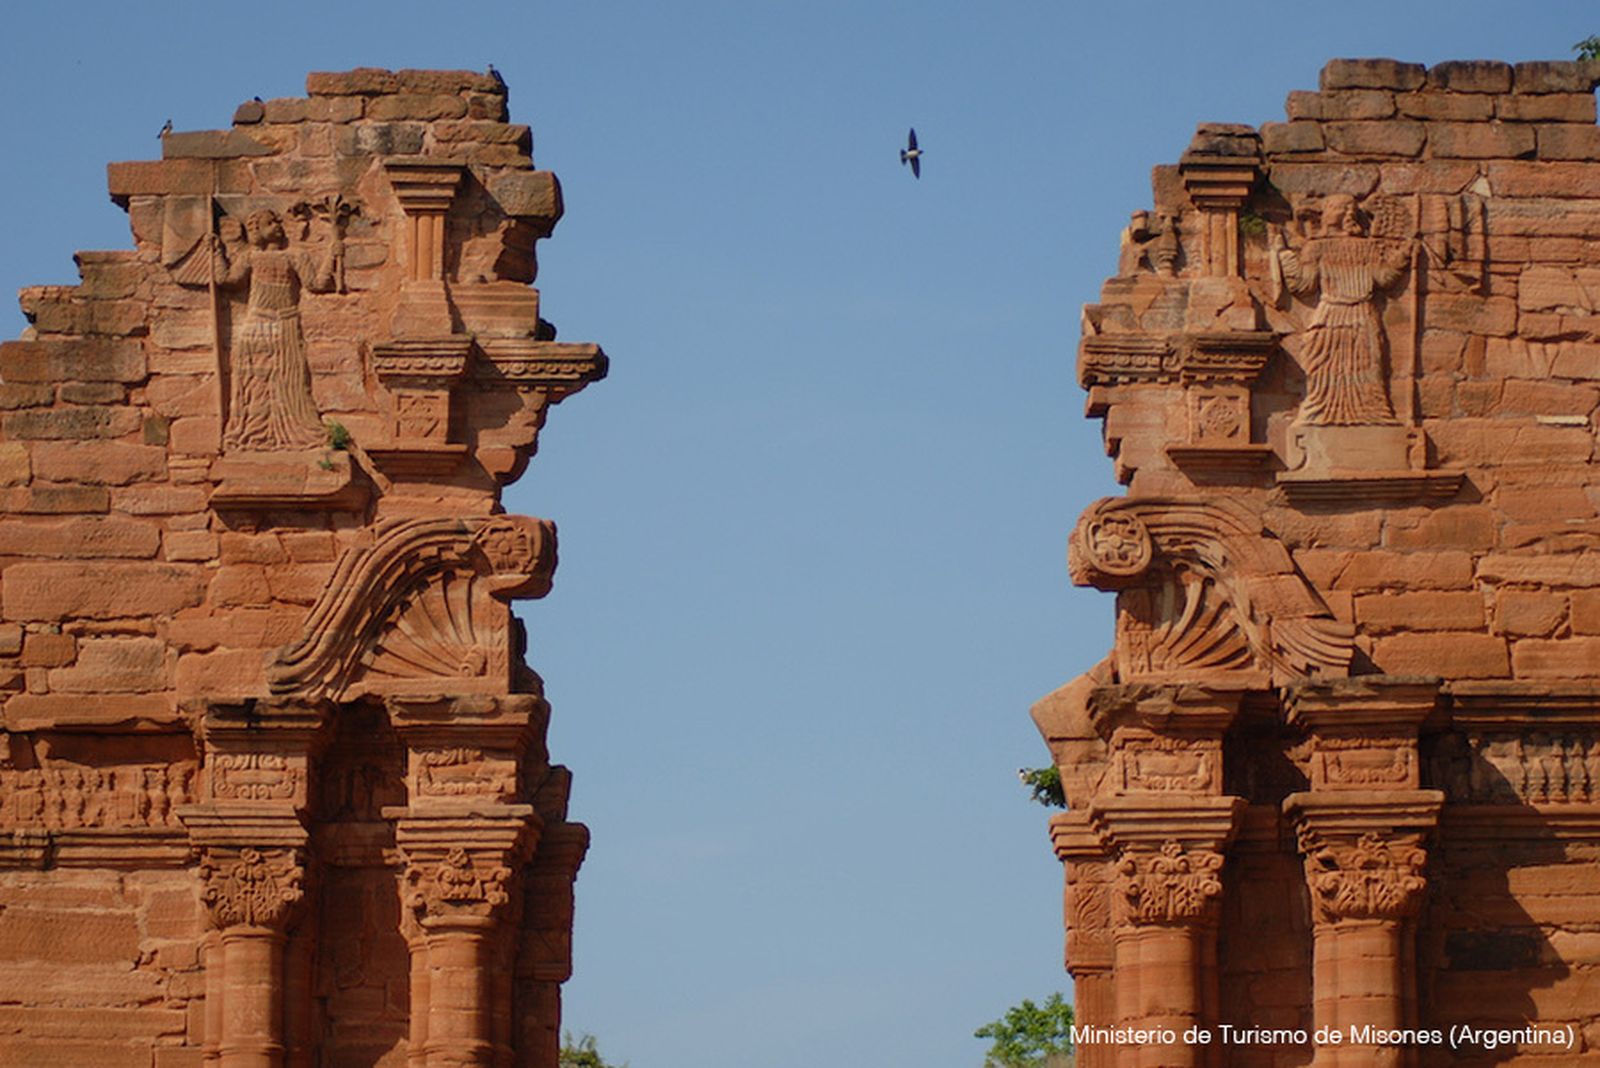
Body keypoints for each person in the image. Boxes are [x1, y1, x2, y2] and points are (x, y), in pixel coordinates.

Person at [1272, 194, 1410, 426]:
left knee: (1367, 368)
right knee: (1321, 365)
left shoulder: (1367, 247)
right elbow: (1304, 285)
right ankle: (1321, 412)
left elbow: (1384, 278)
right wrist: (1284, 255)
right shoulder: (1316, 248)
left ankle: (1370, 415)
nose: (1326, 213)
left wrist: (1403, 256)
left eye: (1331, 208)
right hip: (1332, 316)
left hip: (1360, 316)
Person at [214, 209, 341, 450]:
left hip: (285, 323)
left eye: (277, 221)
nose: (277, 226)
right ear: (257, 230)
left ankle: (293, 431)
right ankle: (252, 431)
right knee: (255, 381)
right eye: (270, 222)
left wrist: (332, 256)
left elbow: (316, 284)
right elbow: (226, 280)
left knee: (289, 379)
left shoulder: (295, 256)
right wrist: (216, 253)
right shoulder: (251, 257)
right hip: (257, 323)